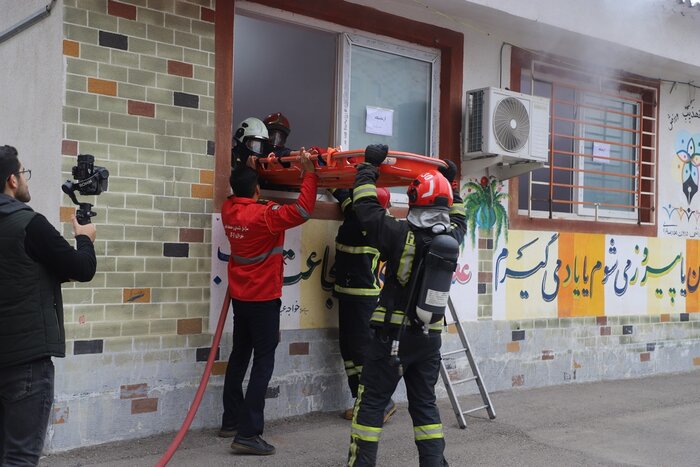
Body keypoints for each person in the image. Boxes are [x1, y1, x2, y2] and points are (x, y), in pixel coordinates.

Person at [347, 144, 464, 467]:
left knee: (370, 405)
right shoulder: (453, 240)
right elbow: (460, 217)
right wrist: (452, 184)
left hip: (391, 339)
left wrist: (369, 166)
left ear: (414, 201)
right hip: (429, 341)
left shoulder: (398, 234)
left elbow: (365, 208)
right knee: (425, 407)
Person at [0, 145, 97, 466]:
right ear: (12, 180)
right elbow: (81, 268)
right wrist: (85, 238)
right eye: (23, 173)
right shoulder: (29, 224)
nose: (25, 180)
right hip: (24, 362)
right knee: (20, 456)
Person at [220, 149, 319, 456]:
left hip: (241, 297)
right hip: (263, 299)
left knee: (239, 355)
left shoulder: (229, 208)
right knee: (263, 362)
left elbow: (244, 191)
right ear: (258, 190)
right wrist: (310, 173)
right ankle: (249, 433)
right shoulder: (266, 215)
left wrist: (251, 172)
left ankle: (231, 421)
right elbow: (303, 211)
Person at [330, 186, 397, 422]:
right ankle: (362, 402)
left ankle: (381, 404)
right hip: (348, 295)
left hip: (362, 299)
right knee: (348, 350)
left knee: (361, 352)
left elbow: (352, 209)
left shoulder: (373, 226)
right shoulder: (361, 216)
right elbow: (347, 203)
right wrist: (334, 184)